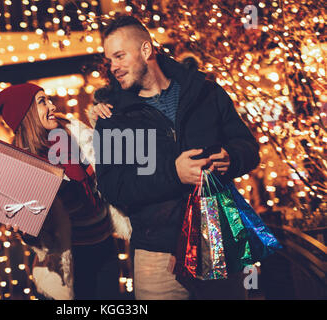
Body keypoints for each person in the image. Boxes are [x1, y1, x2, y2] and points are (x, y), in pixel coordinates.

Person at [90, 15, 260, 300]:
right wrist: (173, 174)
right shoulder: (113, 118)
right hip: (157, 255)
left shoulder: (206, 92)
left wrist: (233, 157)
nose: (113, 67)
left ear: (146, 50)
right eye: (109, 60)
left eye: (119, 56)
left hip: (218, 242)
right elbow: (113, 188)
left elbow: (247, 146)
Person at [0, 83, 129, 300]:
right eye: (42, 102)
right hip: (70, 260)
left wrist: (105, 123)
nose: (52, 105)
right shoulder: (22, 165)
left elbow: (113, 165)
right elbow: (41, 238)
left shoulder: (73, 131)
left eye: (48, 99)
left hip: (105, 244)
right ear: (26, 115)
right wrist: (24, 228)